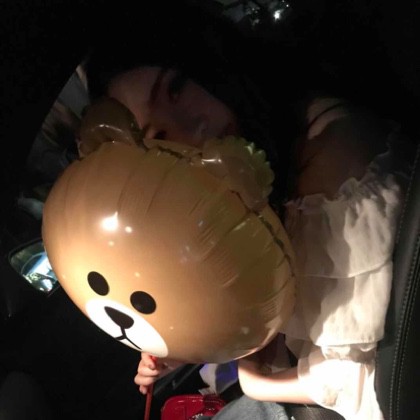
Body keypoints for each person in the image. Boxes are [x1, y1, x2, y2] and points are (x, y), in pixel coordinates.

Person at [83, 2, 413, 419]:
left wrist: (254, 380)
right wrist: (188, 346)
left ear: (206, 60)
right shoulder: (268, 158)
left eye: (177, 88)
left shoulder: (327, 167)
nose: (193, 127)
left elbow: (368, 382)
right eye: (160, 133)